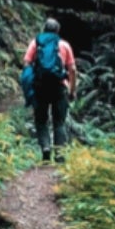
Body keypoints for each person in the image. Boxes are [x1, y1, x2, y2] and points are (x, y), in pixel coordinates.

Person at [22, 17, 77, 162]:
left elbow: (26, 63)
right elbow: (73, 69)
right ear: (57, 31)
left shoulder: (36, 43)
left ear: (44, 29)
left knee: (41, 120)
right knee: (59, 122)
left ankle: (45, 147)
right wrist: (72, 90)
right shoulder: (64, 45)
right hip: (59, 87)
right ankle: (59, 155)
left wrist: (29, 83)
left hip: (40, 87)